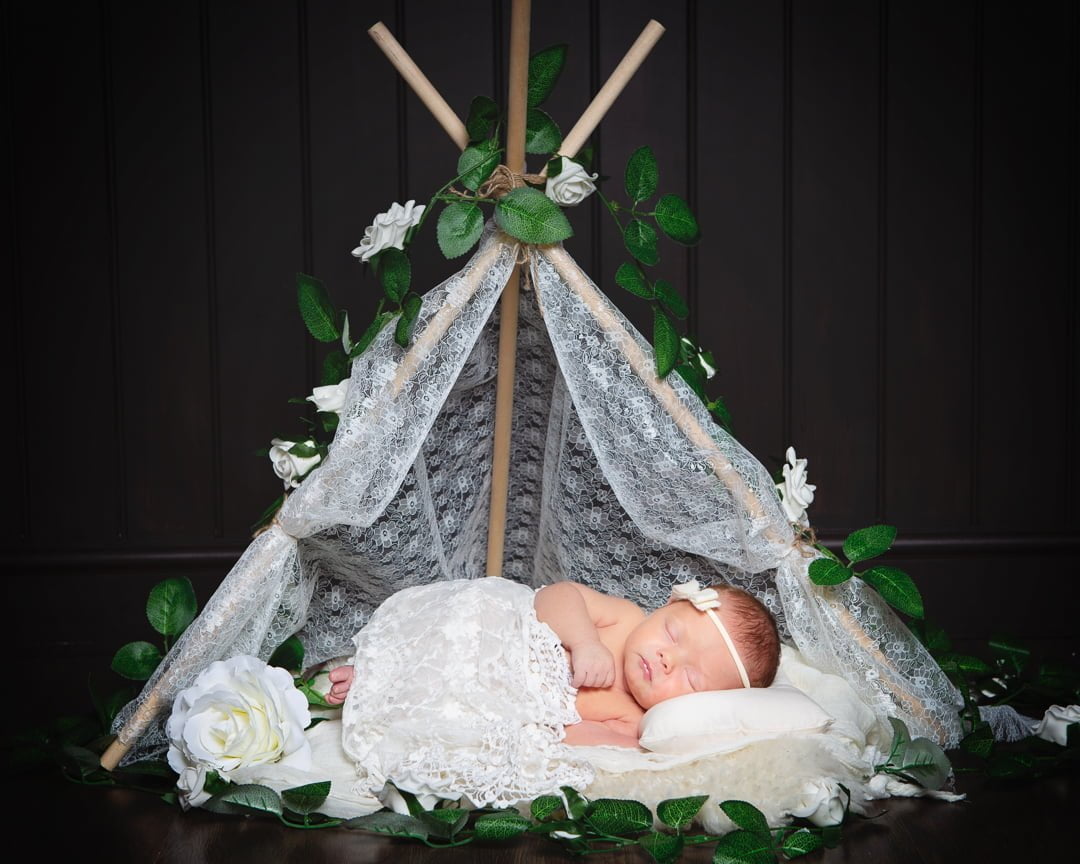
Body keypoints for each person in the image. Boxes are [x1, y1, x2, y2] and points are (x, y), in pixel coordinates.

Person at [327, 577, 780, 749]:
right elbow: (555, 597)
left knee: (454, 710)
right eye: (672, 633)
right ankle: (376, 666)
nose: (666, 658)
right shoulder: (624, 619)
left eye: (689, 676)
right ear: (664, 607)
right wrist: (585, 642)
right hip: (500, 635)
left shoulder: (637, 719)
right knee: (455, 632)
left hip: (499, 694)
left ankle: (378, 691)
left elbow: (577, 738)